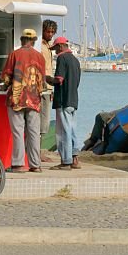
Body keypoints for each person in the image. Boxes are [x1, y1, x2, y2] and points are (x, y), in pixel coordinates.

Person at [1, 28, 45, 172]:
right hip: (34, 100)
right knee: (33, 133)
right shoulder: (40, 57)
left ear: (21, 40)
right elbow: (42, 81)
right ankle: (35, 165)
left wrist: (4, 86)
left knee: (18, 131)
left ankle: (18, 164)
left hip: (17, 99)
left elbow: (7, 77)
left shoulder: (14, 54)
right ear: (33, 41)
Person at [45, 36, 81, 170]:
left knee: (63, 132)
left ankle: (65, 161)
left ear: (60, 46)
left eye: (55, 48)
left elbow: (59, 79)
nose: (55, 52)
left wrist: (47, 78)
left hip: (63, 100)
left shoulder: (62, 58)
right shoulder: (76, 61)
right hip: (73, 99)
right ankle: (75, 159)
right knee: (72, 130)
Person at [39, 20, 57, 162]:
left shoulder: (48, 47)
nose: (50, 34)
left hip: (47, 88)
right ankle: (37, 152)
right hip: (42, 87)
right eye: (48, 31)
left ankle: (38, 151)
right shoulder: (41, 46)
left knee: (44, 121)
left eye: (52, 32)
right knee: (42, 121)